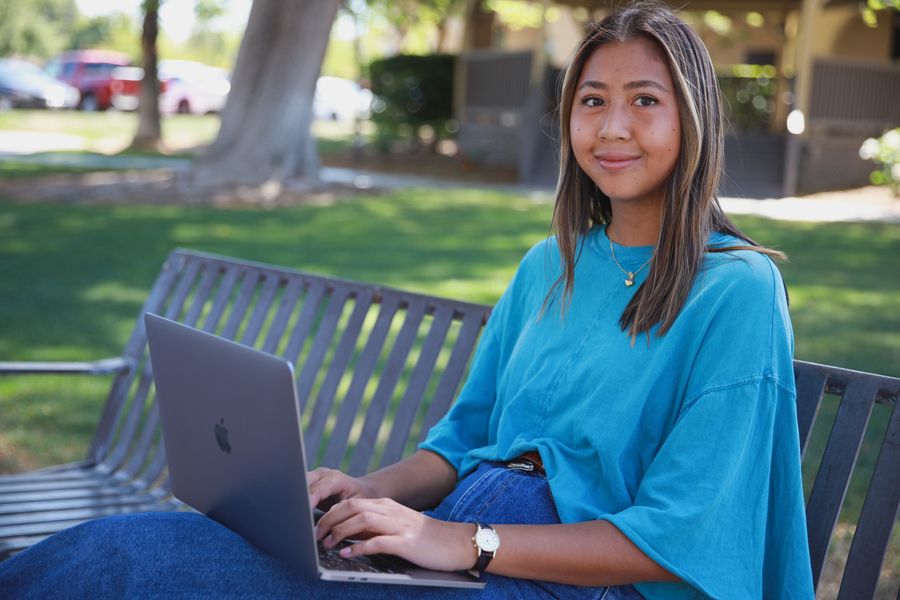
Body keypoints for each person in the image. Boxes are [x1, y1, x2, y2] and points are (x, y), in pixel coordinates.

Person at [0, 4, 814, 599]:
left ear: (695, 118)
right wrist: (370, 495)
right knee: (140, 548)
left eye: (646, 99)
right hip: (459, 545)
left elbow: (685, 537)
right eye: (592, 99)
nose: (612, 126)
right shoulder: (550, 266)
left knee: (141, 571)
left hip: (560, 580)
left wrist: (463, 543)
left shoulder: (735, 290)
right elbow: (461, 441)